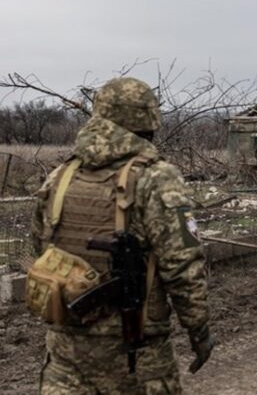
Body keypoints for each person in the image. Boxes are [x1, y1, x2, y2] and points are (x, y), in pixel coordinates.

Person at [30, 77, 213, 394]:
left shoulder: (60, 176)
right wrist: (198, 330)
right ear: (149, 120)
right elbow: (183, 267)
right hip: (136, 358)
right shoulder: (156, 177)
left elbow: (42, 248)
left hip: (64, 357)